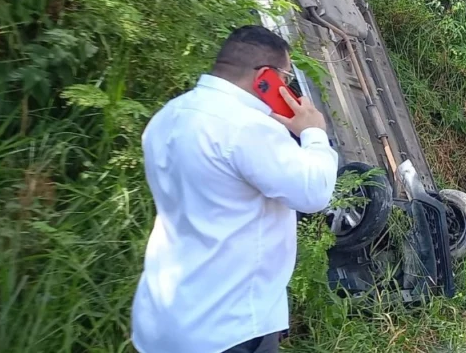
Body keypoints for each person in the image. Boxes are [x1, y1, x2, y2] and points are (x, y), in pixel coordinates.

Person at [132, 25, 340, 353]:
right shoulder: (247, 127)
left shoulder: (167, 116)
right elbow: (314, 192)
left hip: (160, 322)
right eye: (285, 80)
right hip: (227, 328)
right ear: (266, 78)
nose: (288, 89)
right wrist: (313, 133)